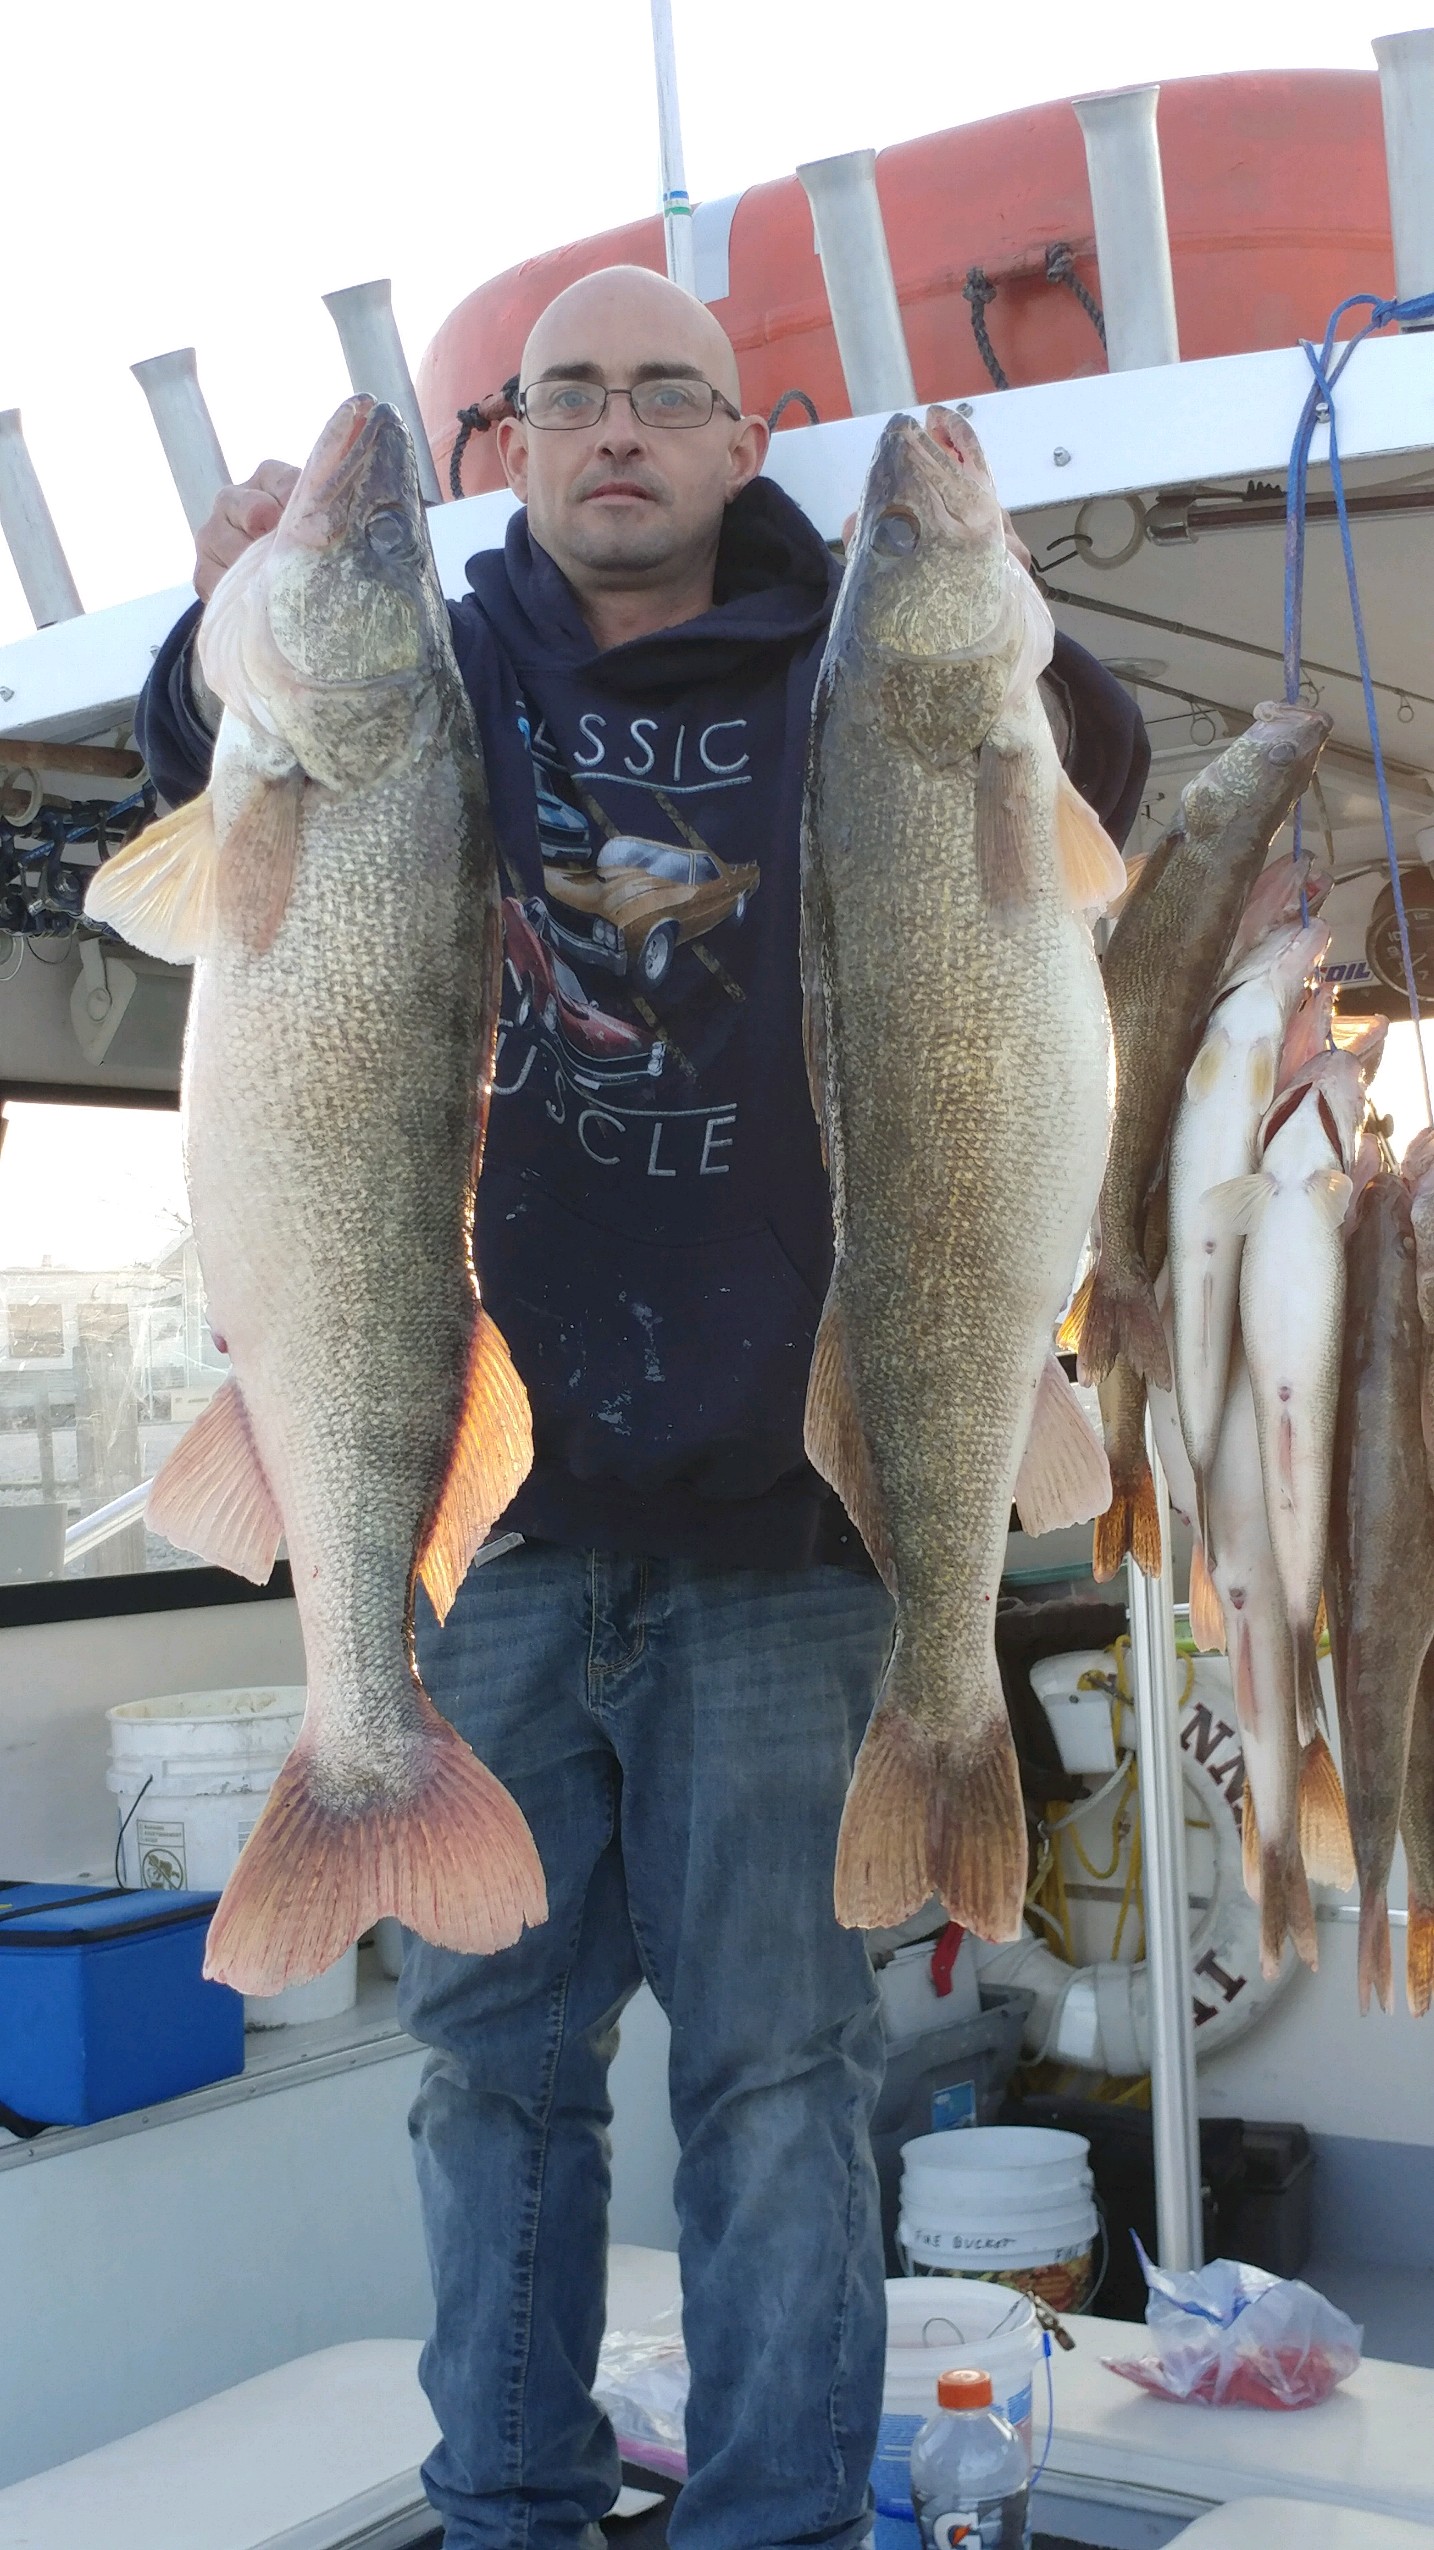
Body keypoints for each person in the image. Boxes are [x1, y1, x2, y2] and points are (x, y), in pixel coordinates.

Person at [137, 264, 1148, 2550]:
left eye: (665, 396)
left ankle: (775, 2517)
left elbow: (1086, 783)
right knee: (494, 2074)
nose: (613, 432)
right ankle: (509, 2501)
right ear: (512, 446)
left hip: (789, 1527)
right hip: (477, 1514)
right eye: (565, 396)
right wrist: (213, 637)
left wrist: (1005, 632)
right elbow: (208, 782)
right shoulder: (441, 663)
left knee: (785, 2080)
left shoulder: (846, 660)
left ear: (736, 441)